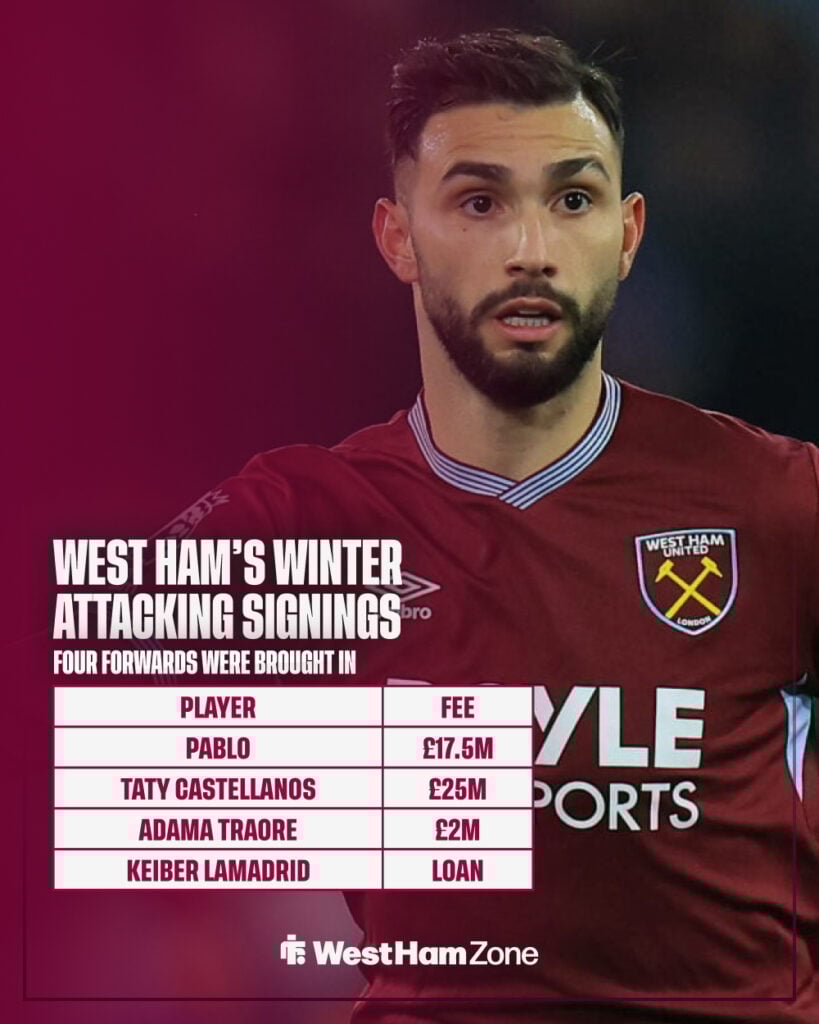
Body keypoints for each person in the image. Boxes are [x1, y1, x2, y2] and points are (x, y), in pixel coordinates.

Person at [165, 28, 818, 1023]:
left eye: (572, 198)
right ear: (397, 238)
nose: (531, 247)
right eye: (479, 201)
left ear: (628, 233)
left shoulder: (776, 499)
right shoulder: (306, 521)